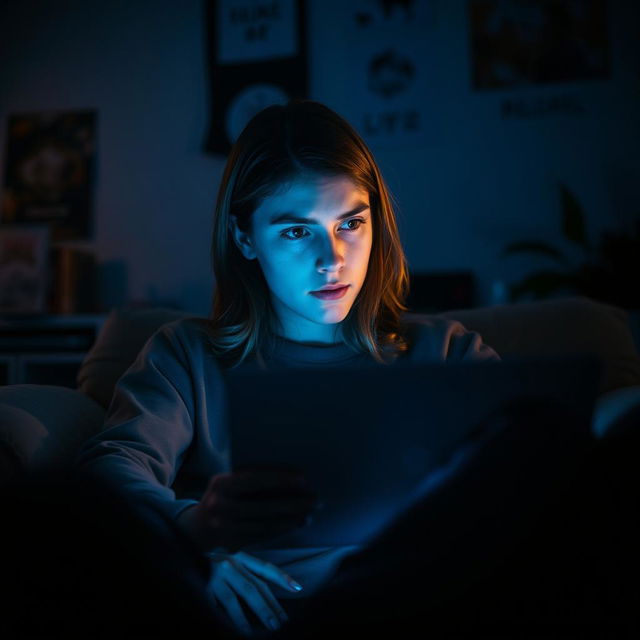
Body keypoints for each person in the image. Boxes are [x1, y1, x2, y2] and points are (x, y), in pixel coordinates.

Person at [75, 99, 501, 636]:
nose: (332, 258)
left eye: (350, 223)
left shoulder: (446, 353)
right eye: (297, 232)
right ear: (246, 238)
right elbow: (109, 470)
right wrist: (191, 539)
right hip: (266, 615)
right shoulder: (187, 355)